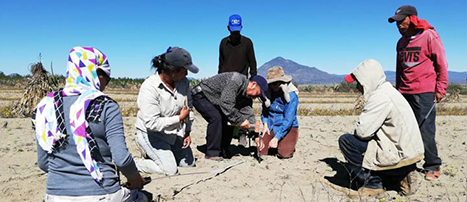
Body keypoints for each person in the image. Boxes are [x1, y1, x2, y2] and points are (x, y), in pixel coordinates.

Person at [33, 46, 148, 202]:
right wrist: (135, 180)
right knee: (144, 197)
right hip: (102, 193)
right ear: (95, 73)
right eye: (106, 77)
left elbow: (43, 162)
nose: (106, 83)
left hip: (55, 195)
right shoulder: (106, 105)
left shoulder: (45, 106)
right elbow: (121, 159)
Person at [339, 59, 424, 197]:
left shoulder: (380, 97)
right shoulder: (389, 91)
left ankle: (373, 183)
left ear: (367, 80)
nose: (357, 87)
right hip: (409, 151)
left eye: (358, 82)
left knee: (347, 141)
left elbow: (362, 132)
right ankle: (398, 176)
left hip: (399, 154)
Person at [388, 5, 448, 180]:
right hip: (404, 91)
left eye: (401, 21)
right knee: (405, 130)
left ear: (412, 19)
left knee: (425, 130)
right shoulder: (401, 43)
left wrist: (441, 88)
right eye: (396, 23)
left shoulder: (429, 36)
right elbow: (400, 69)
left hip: (424, 92)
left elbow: (442, 64)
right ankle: (409, 163)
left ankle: (433, 166)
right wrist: (398, 90)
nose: (398, 26)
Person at [134, 47, 198, 175]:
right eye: (184, 70)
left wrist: (187, 132)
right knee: (169, 169)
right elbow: (151, 123)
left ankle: (161, 155)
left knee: (188, 164)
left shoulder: (183, 83)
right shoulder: (150, 87)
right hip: (151, 134)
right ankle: (134, 163)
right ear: (172, 71)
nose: (186, 74)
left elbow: (188, 108)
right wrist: (179, 119)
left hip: (172, 133)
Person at [192, 72, 267, 161]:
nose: (255, 98)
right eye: (257, 94)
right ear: (253, 84)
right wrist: (241, 120)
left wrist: (256, 136)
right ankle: (212, 153)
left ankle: (223, 149)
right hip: (201, 95)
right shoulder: (236, 80)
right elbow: (226, 103)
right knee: (216, 118)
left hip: (215, 101)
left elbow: (248, 114)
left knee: (231, 120)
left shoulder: (246, 96)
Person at [218, 14, 258, 147]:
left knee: (244, 109)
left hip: (243, 85)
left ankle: (242, 135)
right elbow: (221, 64)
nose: (235, 33)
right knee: (228, 110)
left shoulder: (247, 42)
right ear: (228, 28)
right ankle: (226, 139)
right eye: (233, 30)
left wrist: (253, 81)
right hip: (226, 83)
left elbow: (253, 64)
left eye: (237, 30)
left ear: (241, 28)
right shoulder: (223, 43)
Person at [256, 66, 299, 159]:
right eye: (271, 83)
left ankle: (284, 142)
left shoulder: (291, 95)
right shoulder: (267, 94)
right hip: (271, 125)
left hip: (287, 127)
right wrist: (265, 124)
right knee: (261, 150)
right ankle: (276, 142)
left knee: (284, 154)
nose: (274, 86)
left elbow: (289, 119)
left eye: (276, 83)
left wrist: (277, 137)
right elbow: (265, 112)